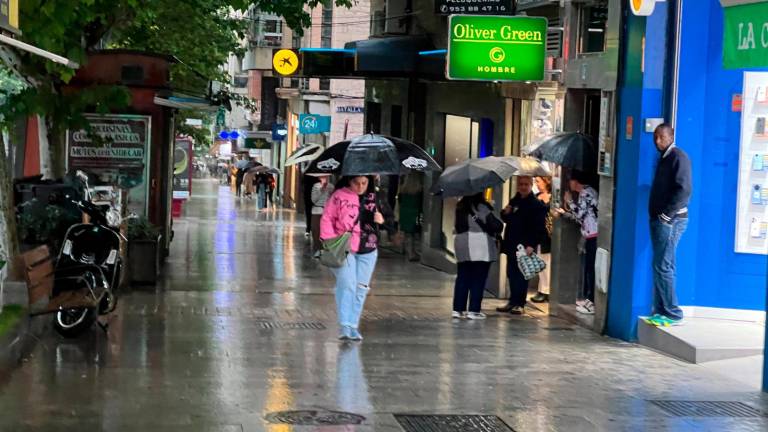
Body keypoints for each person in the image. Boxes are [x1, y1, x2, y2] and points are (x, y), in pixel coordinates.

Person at [320, 176, 385, 341]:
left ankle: (353, 325)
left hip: (369, 249)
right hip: (345, 247)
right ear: (349, 181)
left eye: (364, 183)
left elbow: (389, 219)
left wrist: (382, 220)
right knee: (347, 284)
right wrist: (330, 240)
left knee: (361, 288)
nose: (361, 186)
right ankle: (345, 324)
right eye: (357, 182)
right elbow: (327, 218)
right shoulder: (339, 196)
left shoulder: (376, 197)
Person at [647, 123, 692, 326]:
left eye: (661, 137)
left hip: (671, 221)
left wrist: (667, 215)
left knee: (663, 265)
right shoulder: (664, 158)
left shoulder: (677, 157)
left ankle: (673, 312)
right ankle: (662, 310)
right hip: (662, 219)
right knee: (662, 265)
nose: (658, 141)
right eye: (655, 137)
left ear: (671, 136)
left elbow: (684, 190)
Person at [498, 176, 547, 315]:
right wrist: (505, 212)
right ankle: (512, 301)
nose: (523, 187)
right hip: (512, 243)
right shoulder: (515, 200)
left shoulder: (536, 204)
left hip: (525, 245)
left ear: (531, 185)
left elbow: (539, 228)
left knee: (522, 275)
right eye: (521, 184)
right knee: (511, 274)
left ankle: (520, 303)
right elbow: (507, 218)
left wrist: (532, 244)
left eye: (526, 184)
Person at [452, 193, 503, 320]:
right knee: (478, 277)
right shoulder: (482, 207)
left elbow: (458, 226)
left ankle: (458, 309)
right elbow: (496, 226)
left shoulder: (460, 207)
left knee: (462, 277)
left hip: (462, 243)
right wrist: (491, 208)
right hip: (480, 244)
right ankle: (474, 310)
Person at [556, 170, 599, 315]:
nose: (569, 184)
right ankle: (588, 298)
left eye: (570, 181)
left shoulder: (585, 193)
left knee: (590, 268)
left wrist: (569, 201)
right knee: (588, 268)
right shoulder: (588, 192)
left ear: (576, 181)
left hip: (593, 234)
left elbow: (580, 215)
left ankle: (591, 301)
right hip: (590, 234)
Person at [531, 176, 553, 303]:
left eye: (538, 181)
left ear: (546, 182)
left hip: (547, 235)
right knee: (541, 263)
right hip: (538, 234)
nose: (537, 184)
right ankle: (543, 289)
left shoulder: (552, 197)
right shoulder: (536, 196)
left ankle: (545, 290)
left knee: (546, 263)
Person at [397, 173, 423, 262]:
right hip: (414, 214)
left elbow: (400, 201)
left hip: (405, 214)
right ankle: (413, 253)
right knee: (415, 234)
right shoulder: (419, 191)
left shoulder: (403, 189)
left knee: (408, 234)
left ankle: (408, 252)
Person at [311, 175, 334, 258]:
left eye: (326, 176)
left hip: (327, 212)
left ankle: (325, 250)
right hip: (317, 211)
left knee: (326, 232)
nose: (325, 178)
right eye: (322, 176)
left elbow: (333, 199)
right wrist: (321, 191)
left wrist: (330, 192)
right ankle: (318, 249)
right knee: (316, 231)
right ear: (319, 177)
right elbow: (313, 200)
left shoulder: (331, 187)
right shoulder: (316, 186)